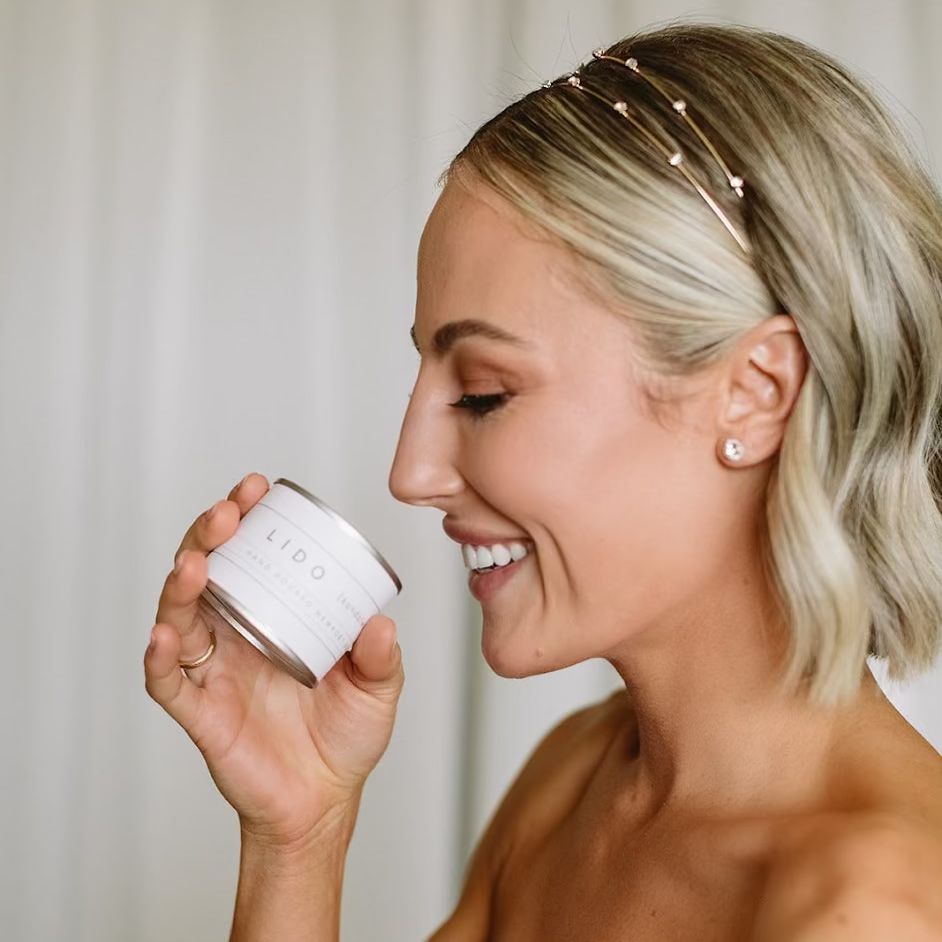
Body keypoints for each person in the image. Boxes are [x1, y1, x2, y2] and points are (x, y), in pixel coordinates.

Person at [144, 22, 942, 941]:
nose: (410, 474)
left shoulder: (870, 908)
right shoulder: (575, 782)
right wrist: (298, 835)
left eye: (483, 393)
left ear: (755, 395)